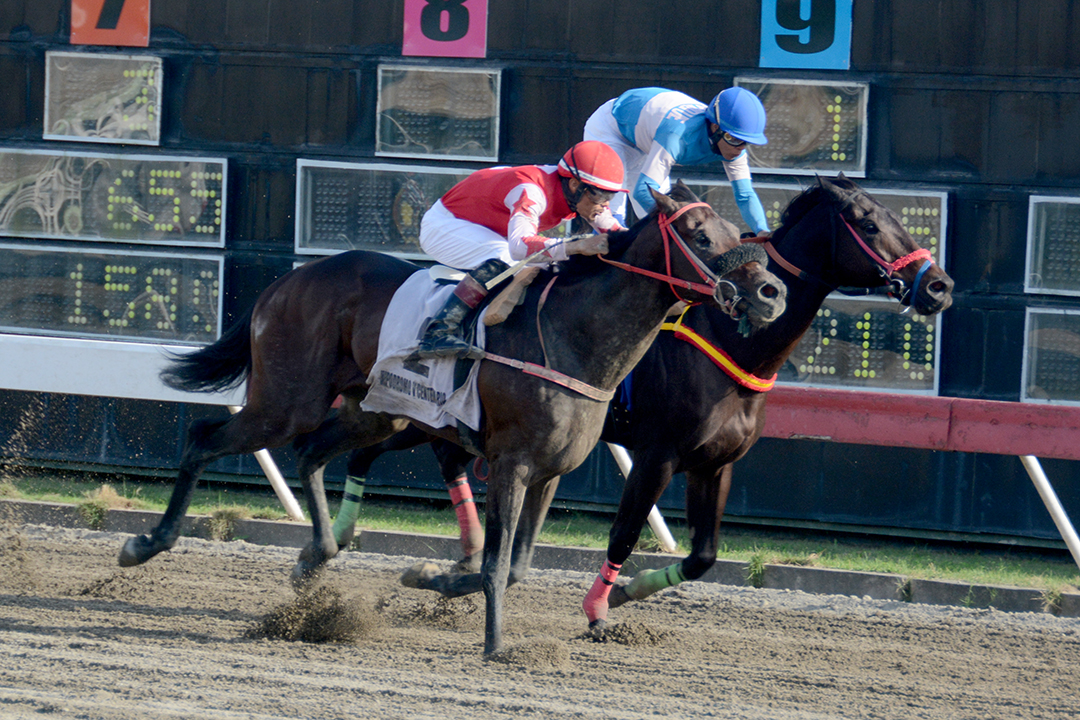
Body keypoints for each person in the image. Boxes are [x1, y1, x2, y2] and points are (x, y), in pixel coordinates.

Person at [416, 140, 626, 359]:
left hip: (486, 228)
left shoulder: (582, 195)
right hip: (444, 225)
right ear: (574, 185)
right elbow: (519, 247)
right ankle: (438, 332)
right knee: (505, 258)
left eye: (610, 196)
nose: (605, 205)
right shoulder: (532, 191)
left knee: (545, 263)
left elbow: (619, 234)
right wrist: (577, 245)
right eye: (600, 196)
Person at [583, 86, 770, 234]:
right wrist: (678, 225)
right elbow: (643, 191)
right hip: (611, 129)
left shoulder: (734, 145)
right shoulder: (677, 136)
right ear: (715, 128)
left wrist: (762, 230)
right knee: (612, 217)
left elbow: (745, 195)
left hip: (646, 138)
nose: (740, 148)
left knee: (660, 221)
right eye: (734, 139)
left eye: (746, 142)